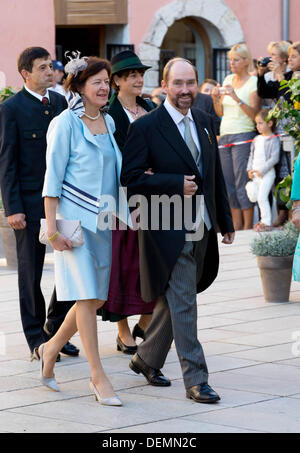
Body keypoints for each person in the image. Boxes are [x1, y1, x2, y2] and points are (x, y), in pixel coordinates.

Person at [121, 57, 235, 404]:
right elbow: (131, 180)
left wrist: (225, 222)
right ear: (166, 85)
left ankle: (146, 358)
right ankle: (196, 378)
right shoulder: (146, 127)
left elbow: (212, 174)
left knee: (180, 298)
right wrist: (173, 184)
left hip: (201, 224)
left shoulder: (203, 120)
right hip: (167, 228)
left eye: (190, 83)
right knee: (185, 301)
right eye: (178, 84)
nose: (185, 91)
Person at [36, 55, 130, 406]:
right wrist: (52, 231)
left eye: (107, 80)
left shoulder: (108, 122)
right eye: (97, 81)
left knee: (97, 297)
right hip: (73, 224)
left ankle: (50, 348)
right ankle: (98, 376)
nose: (104, 86)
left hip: (104, 222)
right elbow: (52, 180)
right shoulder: (65, 124)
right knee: (85, 295)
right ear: (78, 86)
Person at [0, 47, 78, 361]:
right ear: (25, 74)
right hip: (30, 205)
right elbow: (6, 162)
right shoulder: (12, 108)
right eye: (43, 67)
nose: (50, 71)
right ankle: (36, 338)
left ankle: (56, 327)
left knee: (72, 267)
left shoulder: (61, 103)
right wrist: (12, 208)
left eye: (51, 65)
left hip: (65, 202)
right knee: (30, 273)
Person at [98, 50, 157, 354]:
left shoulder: (151, 108)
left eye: (140, 74)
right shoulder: (108, 115)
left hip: (155, 201)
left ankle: (145, 321)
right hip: (121, 202)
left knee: (152, 266)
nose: (138, 79)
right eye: (130, 75)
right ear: (116, 81)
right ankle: (123, 331)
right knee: (123, 266)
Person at [212, 43, 261, 231]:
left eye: (236, 59)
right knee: (228, 182)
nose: (232, 63)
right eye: (230, 59)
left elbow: (254, 113)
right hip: (225, 134)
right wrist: (215, 98)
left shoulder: (253, 82)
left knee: (242, 181)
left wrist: (236, 98)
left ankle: (247, 226)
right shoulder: (228, 78)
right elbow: (220, 112)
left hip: (244, 134)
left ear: (246, 61)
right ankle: (236, 225)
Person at [257, 41, 300, 228]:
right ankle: (282, 212)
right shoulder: (276, 76)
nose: (271, 58)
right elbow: (264, 92)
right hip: (279, 129)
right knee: (281, 172)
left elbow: (289, 95)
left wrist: (282, 76)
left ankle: (292, 213)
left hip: (293, 127)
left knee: (292, 170)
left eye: (274, 55)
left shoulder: (292, 76)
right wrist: (260, 74)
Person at [247, 109, 280, 231]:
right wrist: (249, 169)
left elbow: (274, 158)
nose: (257, 126)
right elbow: (251, 155)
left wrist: (262, 170)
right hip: (256, 174)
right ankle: (263, 220)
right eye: (256, 123)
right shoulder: (256, 139)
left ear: (270, 123)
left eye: (260, 123)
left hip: (267, 174)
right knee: (257, 197)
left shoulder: (273, 139)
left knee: (262, 197)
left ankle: (266, 222)